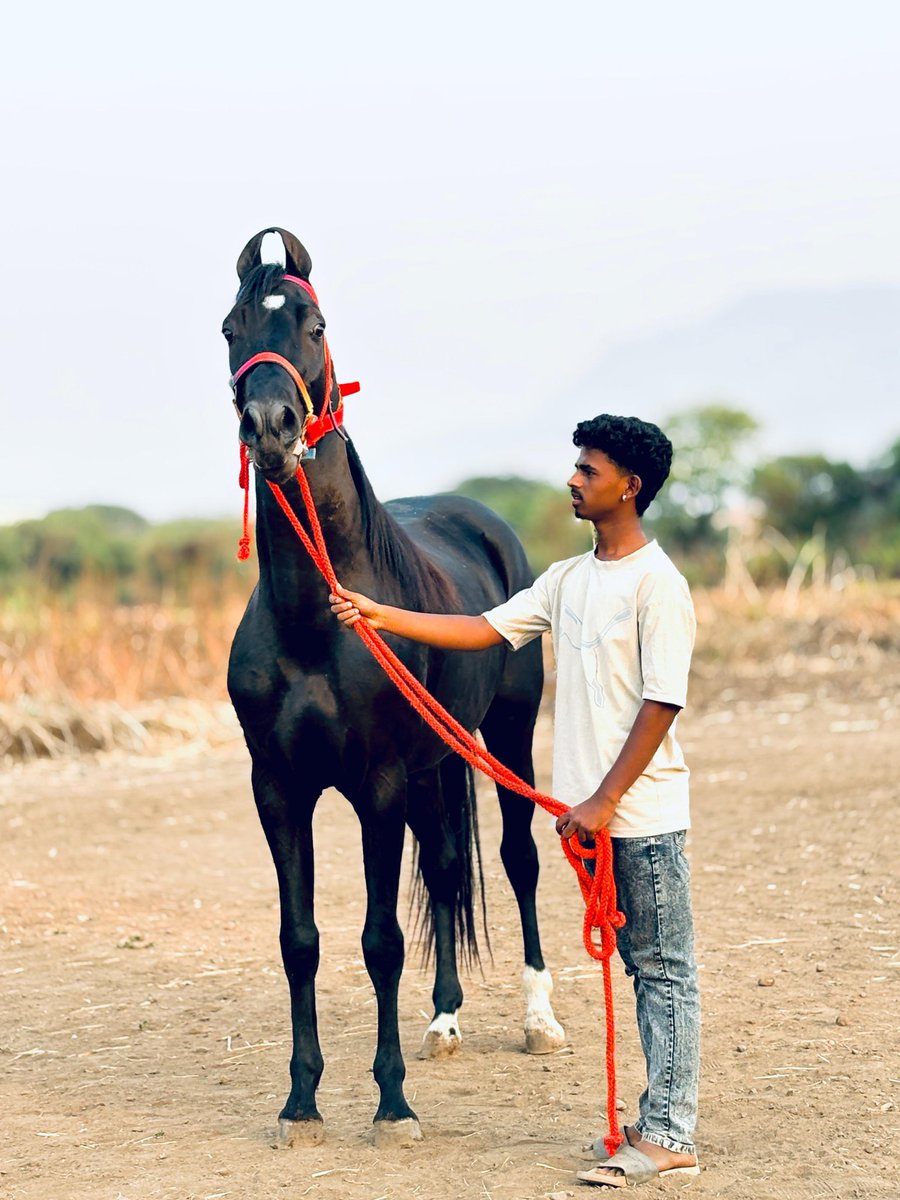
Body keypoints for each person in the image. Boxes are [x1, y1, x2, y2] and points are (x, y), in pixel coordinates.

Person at [329, 414, 700, 1188]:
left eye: (589, 470)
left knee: (664, 971)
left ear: (629, 487)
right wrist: (379, 614)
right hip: (594, 816)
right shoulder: (568, 581)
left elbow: (662, 703)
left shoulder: (659, 585)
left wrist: (600, 800)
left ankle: (669, 1134)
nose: (573, 478)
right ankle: (659, 1113)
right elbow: (482, 629)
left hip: (642, 812)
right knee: (639, 964)